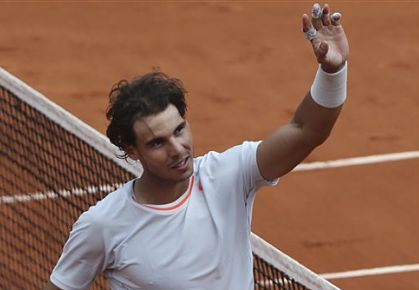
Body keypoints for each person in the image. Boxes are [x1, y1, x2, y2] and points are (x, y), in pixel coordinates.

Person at [44, 3, 349, 290]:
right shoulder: (103, 226)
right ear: (131, 149)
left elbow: (305, 130)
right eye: (157, 143)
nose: (177, 149)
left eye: (179, 130)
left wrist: (332, 72)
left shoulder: (228, 176)